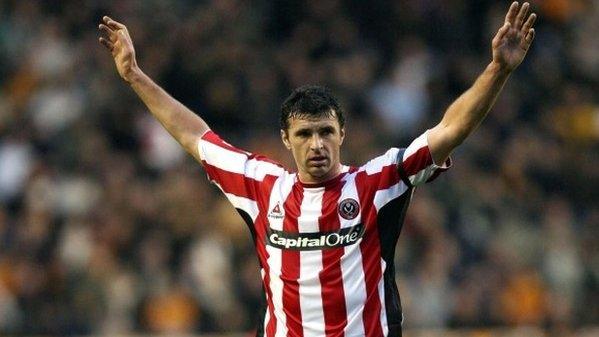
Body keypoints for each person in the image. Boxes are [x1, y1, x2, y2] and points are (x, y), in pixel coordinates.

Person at [98, 2, 536, 336]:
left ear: (342, 133)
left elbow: (449, 130)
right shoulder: (261, 187)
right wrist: (134, 75)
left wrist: (497, 70)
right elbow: (194, 136)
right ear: (286, 139)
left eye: (326, 132)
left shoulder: (377, 183)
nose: (317, 144)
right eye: (305, 135)